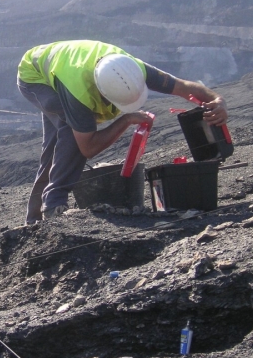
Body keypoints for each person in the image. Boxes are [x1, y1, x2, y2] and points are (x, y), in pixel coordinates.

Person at [17, 40, 229, 224]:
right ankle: (54, 205)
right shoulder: (79, 93)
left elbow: (183, 86)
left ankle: (34, 217)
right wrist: (126, 120)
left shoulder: (132, 70)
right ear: (102, 92)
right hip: (35, 76)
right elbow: (88, 147)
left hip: (62, 66)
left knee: (56, 144)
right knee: (70, 131)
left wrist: (217, 100)